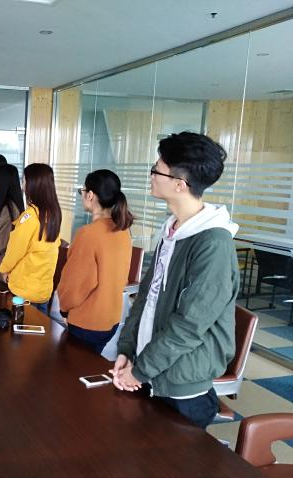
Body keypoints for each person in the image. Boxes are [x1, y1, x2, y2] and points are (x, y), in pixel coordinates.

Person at [110, 132, 239, 429]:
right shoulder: (172, 230)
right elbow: (147, 297)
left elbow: (189, 325)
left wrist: (140, 370)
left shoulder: (213, 244)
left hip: (182, 385)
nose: (151, 176)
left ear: (179, 185)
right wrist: (127, 350)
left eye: (157, 170)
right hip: (150, 368)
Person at [58, 170, 133, 353]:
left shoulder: (88, 234)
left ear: (90, 195)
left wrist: (64, 310)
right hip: (111, 320)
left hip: (86, 322)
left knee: (71, 369)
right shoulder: (123, 231)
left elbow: (74, 285)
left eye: (82, 191)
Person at [0, 163, 61, 313]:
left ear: (33, 185)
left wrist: (3, 270)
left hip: (24, 291)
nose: (22, 186)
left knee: (19, 327)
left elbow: (15, 251)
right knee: (39, 327)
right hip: (43, 291)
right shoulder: (54, 215)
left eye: (24, 181)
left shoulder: (29, 217)